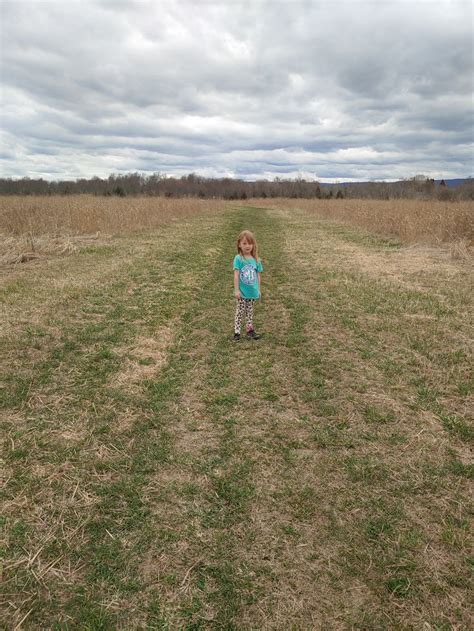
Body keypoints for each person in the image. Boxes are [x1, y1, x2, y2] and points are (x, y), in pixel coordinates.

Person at [233, 230, 263, 341]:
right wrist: (237, 290)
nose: (247, 246)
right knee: (240, 311)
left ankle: (249, 330)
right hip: (242, 292)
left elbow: (258, 276)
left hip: (252, 292)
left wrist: (258, 290)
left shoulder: (256, 260)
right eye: (244, 243)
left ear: (253, 245)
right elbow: (236, 275)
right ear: (239, 244)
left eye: (250, 243)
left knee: (249, 312)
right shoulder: (238, 259)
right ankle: (237, 333)